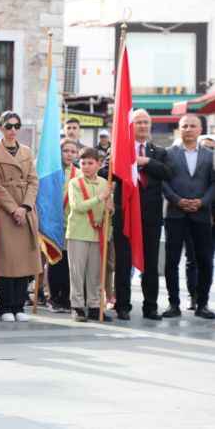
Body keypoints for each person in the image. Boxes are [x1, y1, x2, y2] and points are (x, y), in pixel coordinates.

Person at [112, 110, 172, 321]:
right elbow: (105, 172)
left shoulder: (159, 151)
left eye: (146, 122)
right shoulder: (120, 149)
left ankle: (151, 307)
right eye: (139, 122)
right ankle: (122, 305)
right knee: (123, 262)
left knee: (150, 263)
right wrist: (125, 163)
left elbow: (167, 172)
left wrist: (144, 161)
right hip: (125, 214)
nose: (143, 126)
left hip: (150, 216)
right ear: (131, 125)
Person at [0, 111, 42, 323]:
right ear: (1, 127)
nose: (13, 131)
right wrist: (13, 208)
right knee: (6, 261)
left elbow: (33, 181)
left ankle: (20, 305)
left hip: (25, 209)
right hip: (4, 210)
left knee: (24, 261)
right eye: (9, 126)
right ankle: (5, 306)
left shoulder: (27, 151)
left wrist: (25, 207)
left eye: (17, 126)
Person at [162, 114, 215, 319]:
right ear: (179, 129)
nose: (189, 129)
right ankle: (173, 304)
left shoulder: (211, 155)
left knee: (204, 260)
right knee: (171, 260)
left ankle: (202, 304)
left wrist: (202, 202)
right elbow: (163, 182)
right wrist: (177, 200)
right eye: (185, 126)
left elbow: (213, 183)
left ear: (200, 129)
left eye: (193, 126)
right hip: (175, 213)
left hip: (201, 214)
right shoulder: (168, 153)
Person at [66, 148, 114, 322]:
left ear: (99, 164)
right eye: (83, 163)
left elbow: (109, 209)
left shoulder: (105, 183)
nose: (85, 166)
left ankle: (94, 305)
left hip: (98, 234)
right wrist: (100, 198)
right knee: (77, 272)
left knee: (95, 273)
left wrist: (110, 208)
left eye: (90, 163)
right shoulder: (75, 183)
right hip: (78, 232)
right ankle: (77, 306)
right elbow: (77, 206)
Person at [46, 139, 79, 313]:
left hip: (71, 224)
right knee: (54, 261)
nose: (69, 154)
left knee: (68, 262)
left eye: (73, 151)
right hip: (53, 222)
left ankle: (65, 297)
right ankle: (53, 297)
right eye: (66, 150)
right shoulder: (52, 172)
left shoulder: (79, 174)